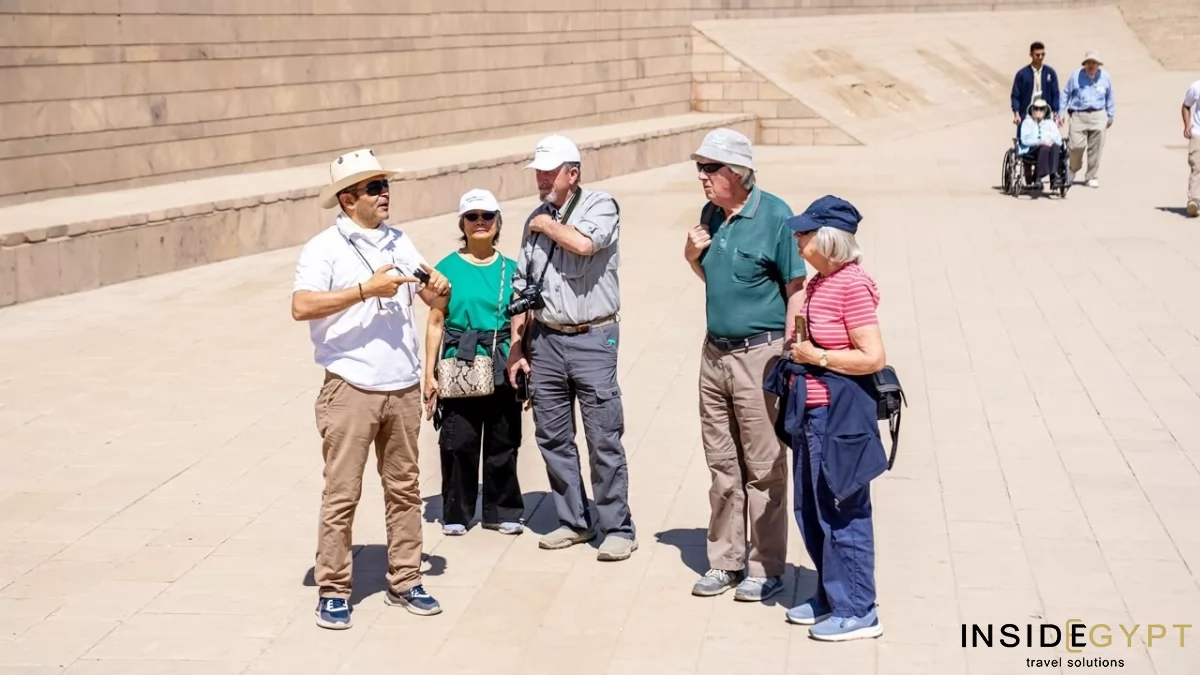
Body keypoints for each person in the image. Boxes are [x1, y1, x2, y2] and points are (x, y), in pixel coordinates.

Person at [292, 148, 451, 629]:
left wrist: (437, 288)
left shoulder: (401, 242)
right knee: (342, 493)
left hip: (401, 386)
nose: (385, 195)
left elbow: (430, 296)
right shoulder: (324, 248)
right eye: (374, 188)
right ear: (347, 199)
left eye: (386, 185)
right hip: (350, 386)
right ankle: (334, 588)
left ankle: (406, 579)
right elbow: (301, 306)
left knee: (405, 490)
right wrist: (364, 290)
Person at [682, 128, 806, 602]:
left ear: (736, 171)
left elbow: (796, 288)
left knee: (764, 465)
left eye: (709, 168)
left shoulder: (776, 216)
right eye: (700, 168)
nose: (702, 177)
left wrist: (791, 351)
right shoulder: (710, 215)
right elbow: (713, 276)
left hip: (760, 355)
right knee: (721, 464)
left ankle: (766, 566)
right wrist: (692, 256)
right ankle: (726, 561)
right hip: (713, 354)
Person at [506, 134, 638, 561]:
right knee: (553, 436)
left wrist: (546, 225)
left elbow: (584, 244)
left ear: (573, 173)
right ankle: (574, 520)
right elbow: (522, 288)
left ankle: (618, 526)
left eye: (550, 171)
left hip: (593, 338)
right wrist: (516, 347)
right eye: (539, 172)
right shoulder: (536, 218)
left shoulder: (600, 205)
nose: (542, 179)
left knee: (603, 437)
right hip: (545, 340)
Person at [764, 195, 888, 642]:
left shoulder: (851, 285)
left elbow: (873, 356)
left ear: (830, 240)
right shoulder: (820, 282)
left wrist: (817, 355)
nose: (797, 238)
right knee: (811, 510)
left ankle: (859, 609)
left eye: (805, 232)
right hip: (810, 413)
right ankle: (832, 594)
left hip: (839, 418)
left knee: (843, 512)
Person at [423, 189, 525, 536]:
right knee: (458, 441)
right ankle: (457, 512)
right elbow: (435, 321)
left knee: (504, 440)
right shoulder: (445, 269)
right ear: (462, 223)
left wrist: (524, 358)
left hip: (500, 357)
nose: (480, 223)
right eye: (472, 217)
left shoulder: (512, 269)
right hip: (459, 361)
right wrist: (428, 374)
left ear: (498, 223)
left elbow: (521, 322)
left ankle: (502, 509)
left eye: (487, 217)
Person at [1062, 51, 1115, 188]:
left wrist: (1110, 115)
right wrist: (1060, 112)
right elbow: (1066, 94)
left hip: (1098, 114)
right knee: (1075, 146)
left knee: (1096, 148)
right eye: (1089, 62)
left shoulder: (1105, 77)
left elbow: (1110, 97)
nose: (1091, 65)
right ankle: (1072, 169)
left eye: (1094, 63)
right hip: (1079, 114)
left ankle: (1091, 176)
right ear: (1085, 64)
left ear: (1098, 65)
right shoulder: (1076, 76)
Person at [1011, 41, 1060, 125]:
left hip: (1045, 114)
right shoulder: (1022, 74)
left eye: (1042, 54)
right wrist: (1016, 112)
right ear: (1031, 55)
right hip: (1026, 115)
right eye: (1037, 55)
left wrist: (1055, 112)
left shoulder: (1050, 73)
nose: (1040, 57)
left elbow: (1055, 93)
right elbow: (1015, 95)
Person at [1018, 99, 1064, 188]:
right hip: (1031, 150)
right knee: (1044, 148)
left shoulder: (1051, 124)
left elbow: (1059, 140)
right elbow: (1024, 140)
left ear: (1045, 111)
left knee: (1055, 146)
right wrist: (1040, 142)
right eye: (1036, 109)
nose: (1038, 111)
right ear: (1033, 110)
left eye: (1041, 109)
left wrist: (1050, 140)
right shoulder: (1027, 123)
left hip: (1050, 147)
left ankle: (1054, 176)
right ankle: (1038, 178)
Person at [1182, 78, 1200, 217]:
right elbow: (1186, 106)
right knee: (1197, 168)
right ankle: (1194, 200)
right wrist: (1187, 125)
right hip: (1197, 134)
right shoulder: (1196, 87)